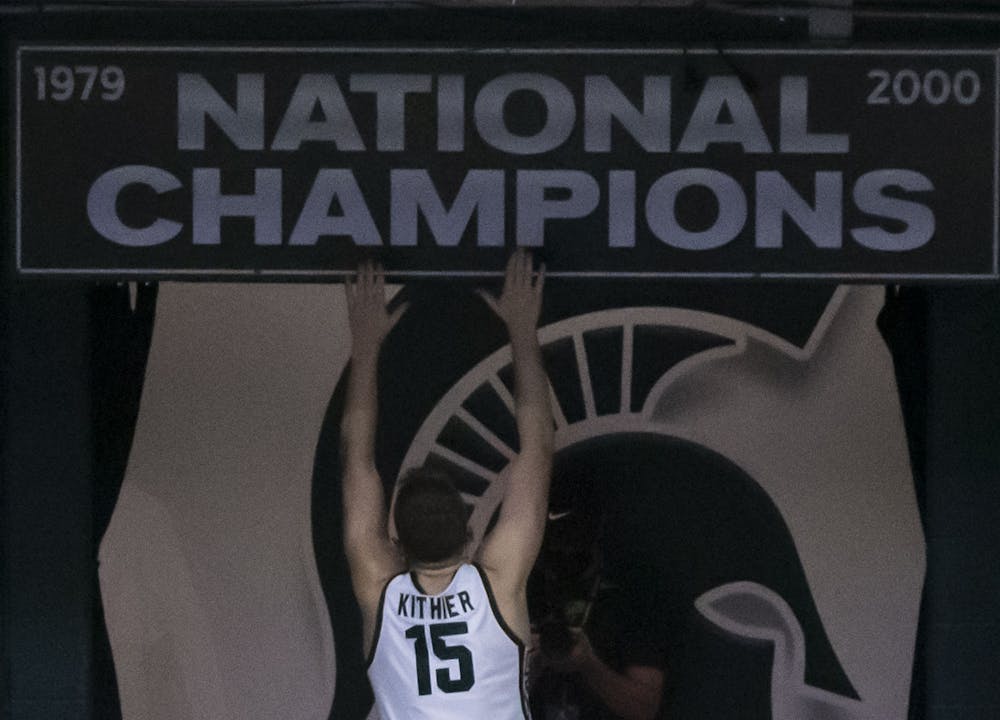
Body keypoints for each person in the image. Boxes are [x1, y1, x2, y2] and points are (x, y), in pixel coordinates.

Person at [340, 249, 553, 720]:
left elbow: (357, 464)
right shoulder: (498, 584)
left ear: (395, 538)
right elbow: (537, 450)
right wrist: (522, 328)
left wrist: (366, 346)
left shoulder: (380, 589)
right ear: (470, 531)